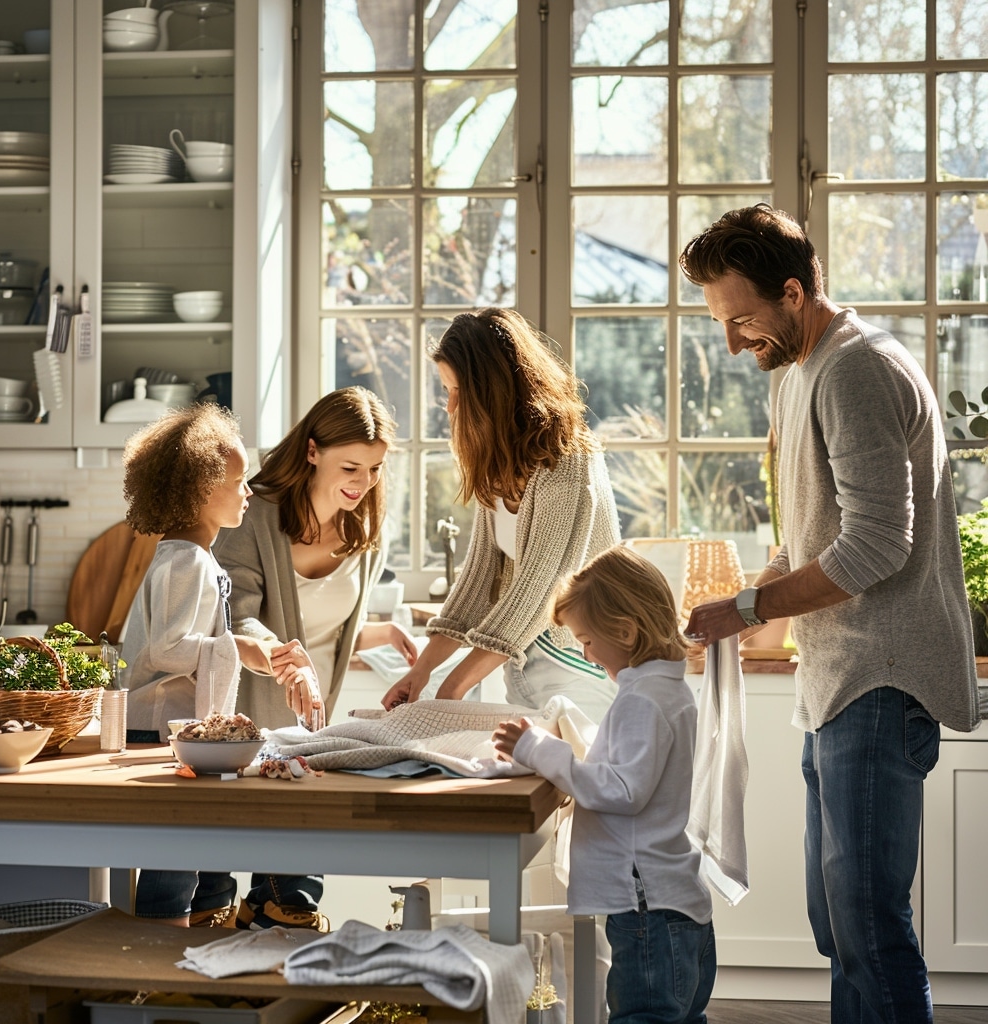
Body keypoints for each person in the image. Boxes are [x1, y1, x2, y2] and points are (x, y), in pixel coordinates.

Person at [678, 204, 980, 1022]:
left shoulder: (856, 368)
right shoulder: (801, 370)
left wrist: (749, 604)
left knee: (869, 929)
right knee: (838, 924)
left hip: (879, 683)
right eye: (721, 324)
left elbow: (878, 545)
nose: (734, 342)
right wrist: (743, 608)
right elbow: (819, 535)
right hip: (837, 682)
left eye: (742, 319)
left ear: (794, 290)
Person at [212, 386, 416, 930]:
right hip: (244, 715)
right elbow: (238, 617)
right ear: (311, 451)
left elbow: (323, 628)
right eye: (351, 466)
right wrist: (285, 660)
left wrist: (384, 632)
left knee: (291, 895)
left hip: (310, 729)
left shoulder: (364, 530)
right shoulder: (254, 516)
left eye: (374, 468)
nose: (363, 482)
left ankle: (271, 932)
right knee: (213, 869)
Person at [492, 544, 716, 1024]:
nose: (587, 656)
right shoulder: (667, 691)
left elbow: (622, 791)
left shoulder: (644, 700)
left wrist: (537, 749)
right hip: (673, 906)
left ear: (625, 631)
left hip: (646, 911)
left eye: (588, 640)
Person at [122, 404, 316, 927]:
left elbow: (192, 643)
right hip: (156, 730)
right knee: (179, 852)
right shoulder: (185, 560)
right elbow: (167, 649)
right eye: (237, 481)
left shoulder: (195, 557)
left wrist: (250, 649)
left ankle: (201, 939)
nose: (248, 491)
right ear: (200, 491)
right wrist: (238, 648)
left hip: (173, 729)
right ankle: (157, 956)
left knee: (202, 850)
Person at [380, 307, 621, 723]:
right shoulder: (499, 465)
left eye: (458, 392)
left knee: (574, 784)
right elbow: (478, 580)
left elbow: (540, 588)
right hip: (520, 657)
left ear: (493, 392)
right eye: (445, 391)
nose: (450, 407)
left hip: (580, 659)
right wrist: (419, 674)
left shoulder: (567, 462)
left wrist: (452, 687)